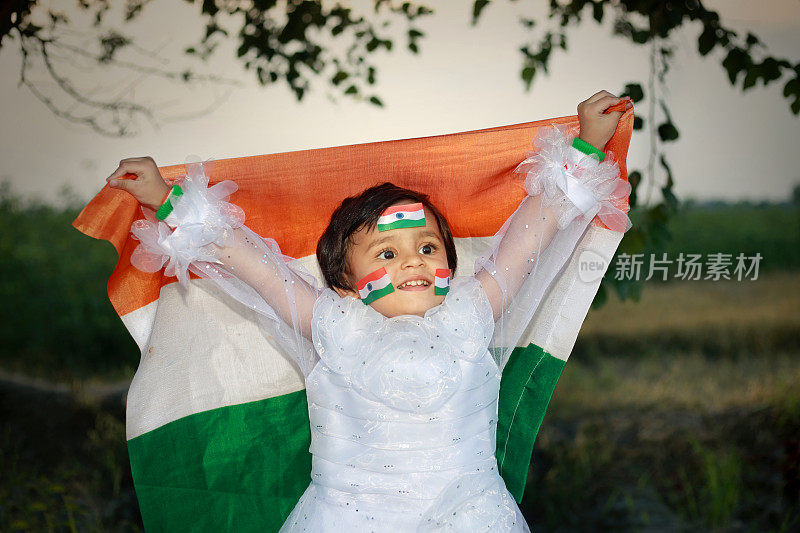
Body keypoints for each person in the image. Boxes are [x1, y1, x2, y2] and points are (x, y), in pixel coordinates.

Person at [106, 90, 633, 531]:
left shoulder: (472, 315)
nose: (414, 264)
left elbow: (529, 239)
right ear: (345, 282)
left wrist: (586, 145)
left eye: (428, 248)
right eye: (387, 253)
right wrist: (168, 201)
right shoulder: (334, 326)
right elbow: (256, 267)